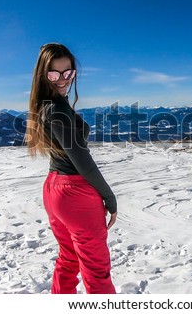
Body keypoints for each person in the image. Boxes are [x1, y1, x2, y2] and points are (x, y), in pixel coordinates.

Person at [25, 43, 117, 294]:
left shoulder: (47, 105)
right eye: (54, 74)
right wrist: (109, 197)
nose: (62, 80)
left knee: (69, 259)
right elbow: (82, 160)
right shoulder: (58, 110)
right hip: (75, 193)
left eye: (68, 74)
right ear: (43, 75)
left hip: (54, 190)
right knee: (96, 270)